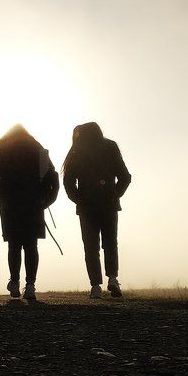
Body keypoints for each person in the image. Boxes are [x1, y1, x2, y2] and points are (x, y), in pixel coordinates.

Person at [0, 124, 59, 301]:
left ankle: (15, 282)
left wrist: (1, 198)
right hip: (34, 204)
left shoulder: (0, 151)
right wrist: (46, 200)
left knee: (14, 245)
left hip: (10, 205)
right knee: (31, 245)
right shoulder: (38, 149)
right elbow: (53, 177)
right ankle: (30, 285)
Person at [62, 121, 131, 298]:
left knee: (90, 247)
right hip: (108, 204)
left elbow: (68, 182)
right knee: (110, 243)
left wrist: (79, 199)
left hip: (87, 207)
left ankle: (95, 286)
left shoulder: (77, 150)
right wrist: (114, 194)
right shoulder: (110, 147)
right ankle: (113, 279)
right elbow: (125, 176)